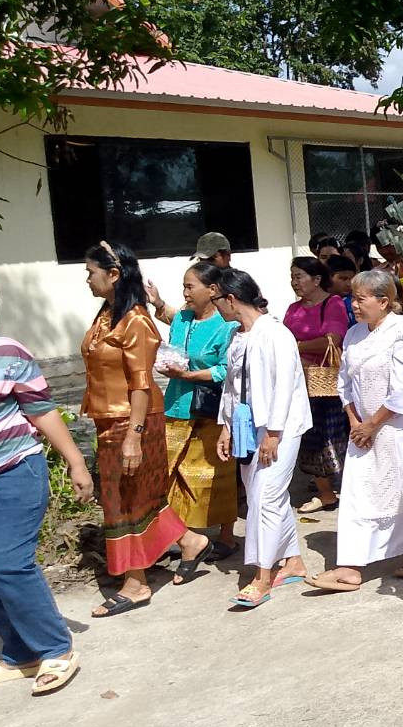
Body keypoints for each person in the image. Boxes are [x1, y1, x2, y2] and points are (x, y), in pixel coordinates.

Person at [0, 274, 93, 695]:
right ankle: (19, 653)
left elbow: (41, 411)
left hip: (12, 471)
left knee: (7, 563)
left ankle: (55, 650)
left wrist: (76, 462)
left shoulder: (9, 352)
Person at [307, 270, 403, 591]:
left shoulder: (401, 331)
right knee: (357, 492)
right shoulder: (353, 334)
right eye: (352, 297)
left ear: (383, 301)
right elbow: (344, 383)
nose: (354, 304)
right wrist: (355, 422)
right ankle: (350, 567)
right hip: (363, 431)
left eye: (361, 298)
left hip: (401, 428)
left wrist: (373, 423)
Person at [81, 241, 190, 618]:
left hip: (133, 420)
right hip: (108, 419)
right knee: (133, 496)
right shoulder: (107, 314)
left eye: (91, 272)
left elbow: (141, 384)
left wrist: (133, 436)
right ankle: (189, 542)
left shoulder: (136, 321)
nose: (87, 280)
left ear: (113, 275)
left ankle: (137, 582)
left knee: (124, 502)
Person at [215, 269, 313, 608]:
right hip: (245, 427)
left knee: (266, 496)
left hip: (280, 427)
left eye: (218, 300)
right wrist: (226, 426)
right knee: (262, 493)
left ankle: (262, 576)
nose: (217, 307)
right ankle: (294, 561)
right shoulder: (237, 336)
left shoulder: (275, 334)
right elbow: (231, 386)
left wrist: (273, 432)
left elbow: (284, 386)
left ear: (231, 299)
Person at [158, 262, 240, 578]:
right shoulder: (181, 318)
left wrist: (190, 374)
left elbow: (225, 369)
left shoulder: (226, 325)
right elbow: (174, 349)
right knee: (170, 473)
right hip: (176, 404)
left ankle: (226, 536)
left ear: (213, 290)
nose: (185, 293)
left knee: (213, 476)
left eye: (190, 286)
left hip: (210, 408)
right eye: (184, 286)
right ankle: (185, 537)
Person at [285, 256, 351, 514]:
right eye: (292, 277)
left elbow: (332, 341)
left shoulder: (333, 304)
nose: (294, 282)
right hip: (299, 381)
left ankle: (340, 488)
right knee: (309, 438)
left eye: (298, 276)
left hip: (326, 384)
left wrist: (297, 347)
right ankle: (325, 492)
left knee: (331, 436)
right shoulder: (293, 309)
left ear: (316, 279)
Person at [326, 254, 359, 322]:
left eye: (352, 279)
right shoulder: (316, 301)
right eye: (343, 279)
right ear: (328, 277)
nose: (349, 284)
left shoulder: (355, 302)